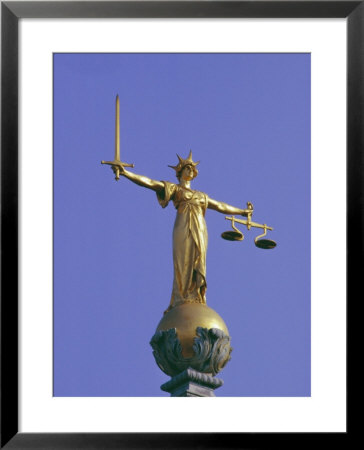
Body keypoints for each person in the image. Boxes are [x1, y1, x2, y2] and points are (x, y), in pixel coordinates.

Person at [112, 151, 252, 313]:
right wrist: (126, 172)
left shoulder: (201, 196)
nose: (190, 171)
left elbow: (220, 206)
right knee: (183, 260)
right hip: (183, 225)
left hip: (199, 227)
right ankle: (181, 297)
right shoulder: (175, 189)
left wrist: (242, 212)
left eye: (192, 169)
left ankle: (196, 294)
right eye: (187, 168)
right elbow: (150, 183)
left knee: (198, 259)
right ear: (180, 172)